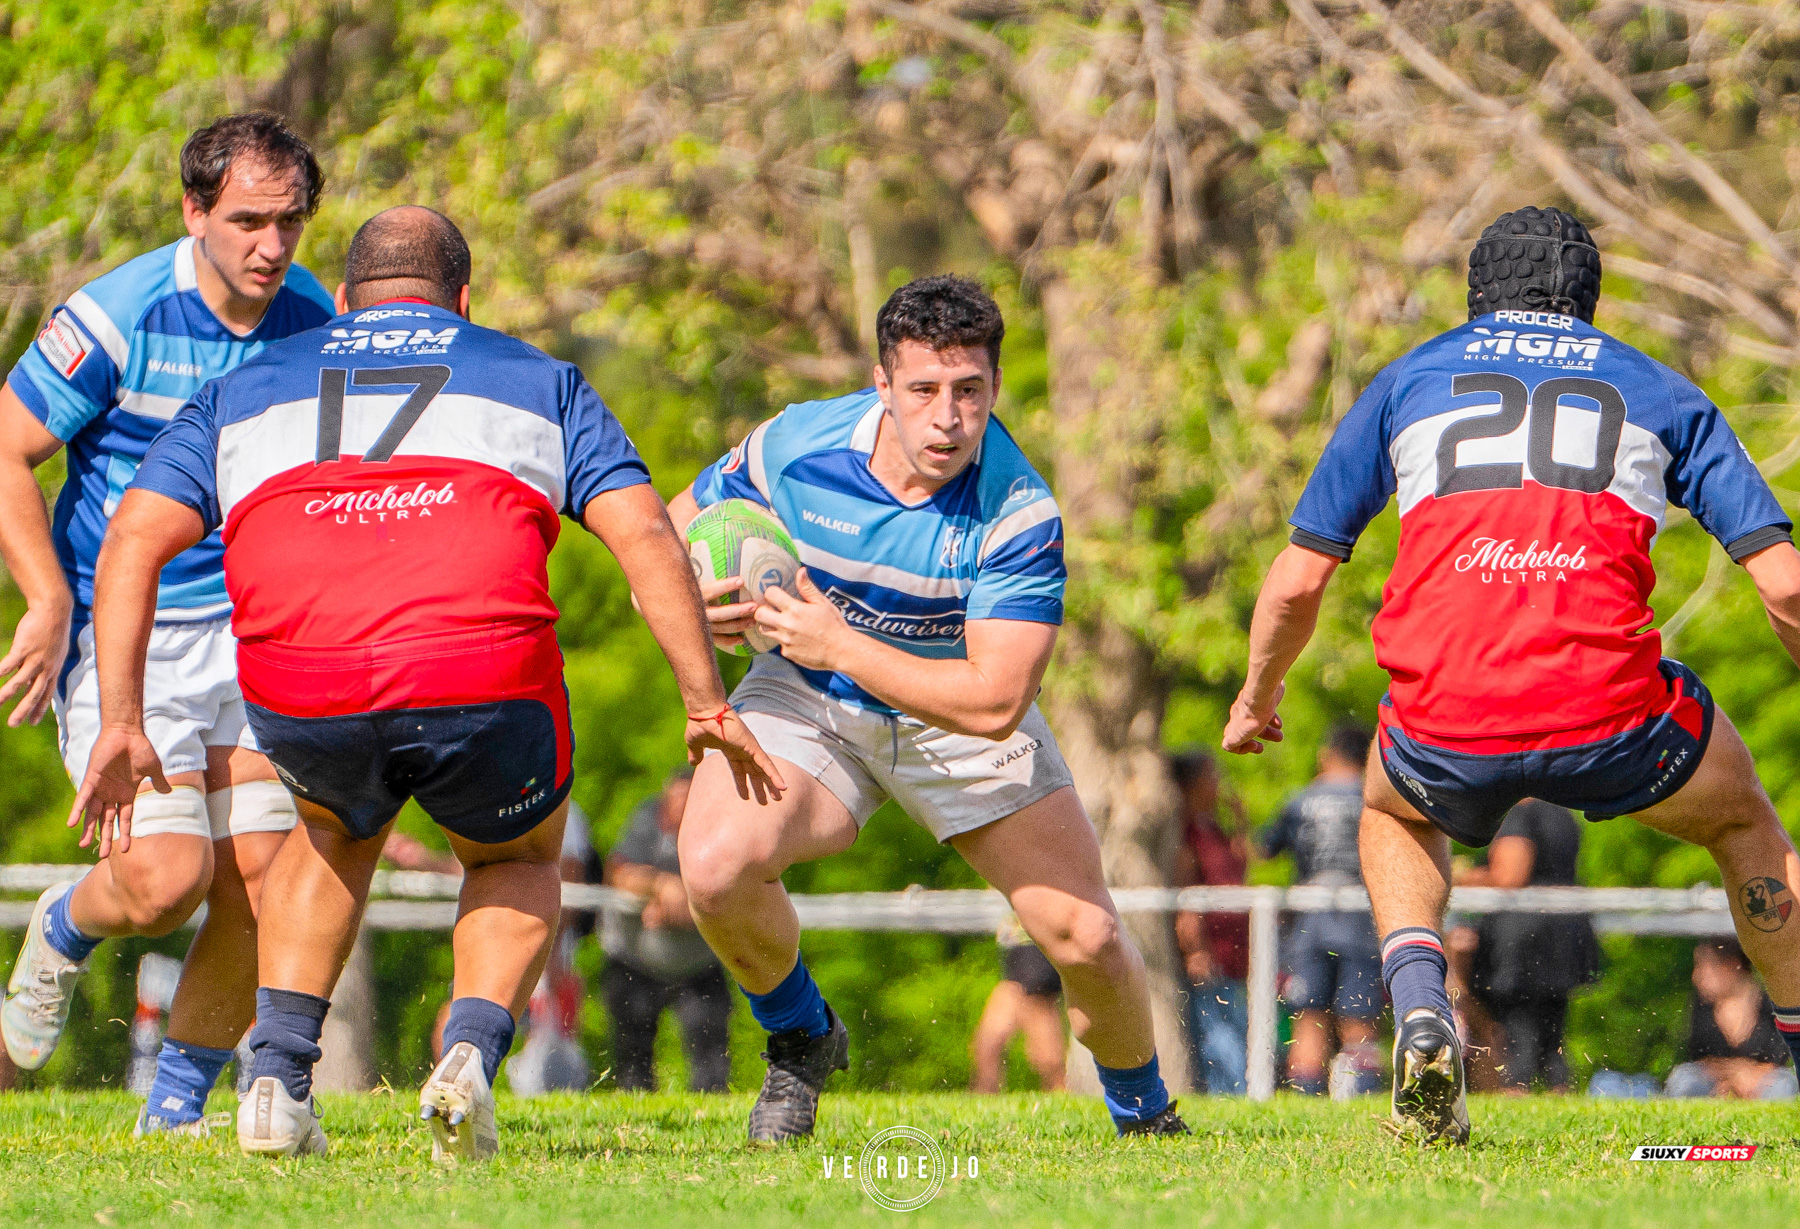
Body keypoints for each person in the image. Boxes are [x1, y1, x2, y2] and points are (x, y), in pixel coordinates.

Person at [67, 206, 781, 1162]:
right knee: (517, 858)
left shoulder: (243, 388)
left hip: (302, 678)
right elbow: (645, 533)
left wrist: (120, 715)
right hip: (480, 674)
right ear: (464, 298)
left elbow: (130, 542)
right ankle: (471, 1056)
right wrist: (706, 700)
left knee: (329, 832)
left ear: (344, 300)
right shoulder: (539, 378)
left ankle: (276, 1073)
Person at [1225, 205, 1800, 1144]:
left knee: (1388, 808)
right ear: (1589, 295)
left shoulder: (1409, 380)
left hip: (1447, 715)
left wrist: (1256, 698)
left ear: (1476, 291)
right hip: (1611, 715)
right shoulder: (1659, 389)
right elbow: (1785, 584)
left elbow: (1298, 581)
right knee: (1744, 821)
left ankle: (1420, 1006)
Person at [664, 275, 1187, 1141]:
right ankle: (801, 1039)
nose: (948, 417)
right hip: (810, 694)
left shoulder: (1018, 512)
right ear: (882, 384)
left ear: (993, 388)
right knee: (715, 867)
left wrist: (841, 644)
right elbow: (678, 525)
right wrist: (700, 598)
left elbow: (994, 701)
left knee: (1086, 937)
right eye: (924, 390)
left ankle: (1145, 1115)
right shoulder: (797, 442)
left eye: (970, 391)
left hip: (952, 710)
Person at [0, 113, 331, 1135]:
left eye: (289, 221)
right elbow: (6, 449)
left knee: (265, 872)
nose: (270, 246)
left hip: (258, 631)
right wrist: (49, 596)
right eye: (246, 221)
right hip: (126, 628)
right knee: (162, 881)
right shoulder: (116, 316)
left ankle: (176, 1108)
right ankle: (61, 924)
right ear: (193, 212)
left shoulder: (314, 318)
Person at [1259, 725, 1383, 1097]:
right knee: (1359, 1016)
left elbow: (1265, 849)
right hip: (1362, 919)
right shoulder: (1374, 798)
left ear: (1326, 754)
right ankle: (1362, 1096)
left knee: (1308, 1016)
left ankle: (1305, 1096)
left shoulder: (1300, 799)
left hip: (1310, 921)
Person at [601, 768, 732, 1093]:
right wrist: (660, 886)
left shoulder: (723, 830)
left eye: (689, 802)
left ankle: (710, 1117)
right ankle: (632, 1115)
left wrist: (692, 906)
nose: (680, 809)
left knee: (712, 1063)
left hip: (701, 962)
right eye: (674, 800)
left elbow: (744, 884)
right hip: (635, 960)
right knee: (632, 1063)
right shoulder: (647, 818)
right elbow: (618, 873)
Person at [1457, 799, 1599, 1093]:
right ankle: (1562, 1107)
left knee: (1516, 1039)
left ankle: (1515, 1105)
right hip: (1565, 931)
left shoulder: (1518, 814)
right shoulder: (1563, 813)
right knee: (1552, 1040)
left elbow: (1510, 876)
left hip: (1523, 940)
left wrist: (1459, 878)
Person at [1170, 749, 1250, 1096]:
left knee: (1234, 1027)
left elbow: (1239, 869)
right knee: (1218, 1034)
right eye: (1211, 775)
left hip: (1232, 952)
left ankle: (1234, 1091)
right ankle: (1226, 1097)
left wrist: (1240, 824)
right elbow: (1186, 891)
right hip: (1210, 951)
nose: (1218, 783)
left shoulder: (1212, 827)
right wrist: (1194, 948)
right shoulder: (1186, 832)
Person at [1665, 940, 1797, 1100]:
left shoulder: (1771, 1005)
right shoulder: (1702, 1006)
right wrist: (1733, 1077)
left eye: (1704, 967)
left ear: (1732, 965)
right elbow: (1698, 1057)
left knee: (1785, 1083)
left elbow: (1782, 1057)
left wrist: (1751, 1078)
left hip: (1761, 1083)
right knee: (1683, 1078)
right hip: (1713, 1083)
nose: (1696, 977)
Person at [969, 912, 1066, 1093]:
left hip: (1037, 957)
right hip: (1017, 961)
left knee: (1046, 1059)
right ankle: (984, 1101)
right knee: (989, 1045)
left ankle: (1064, 1102)